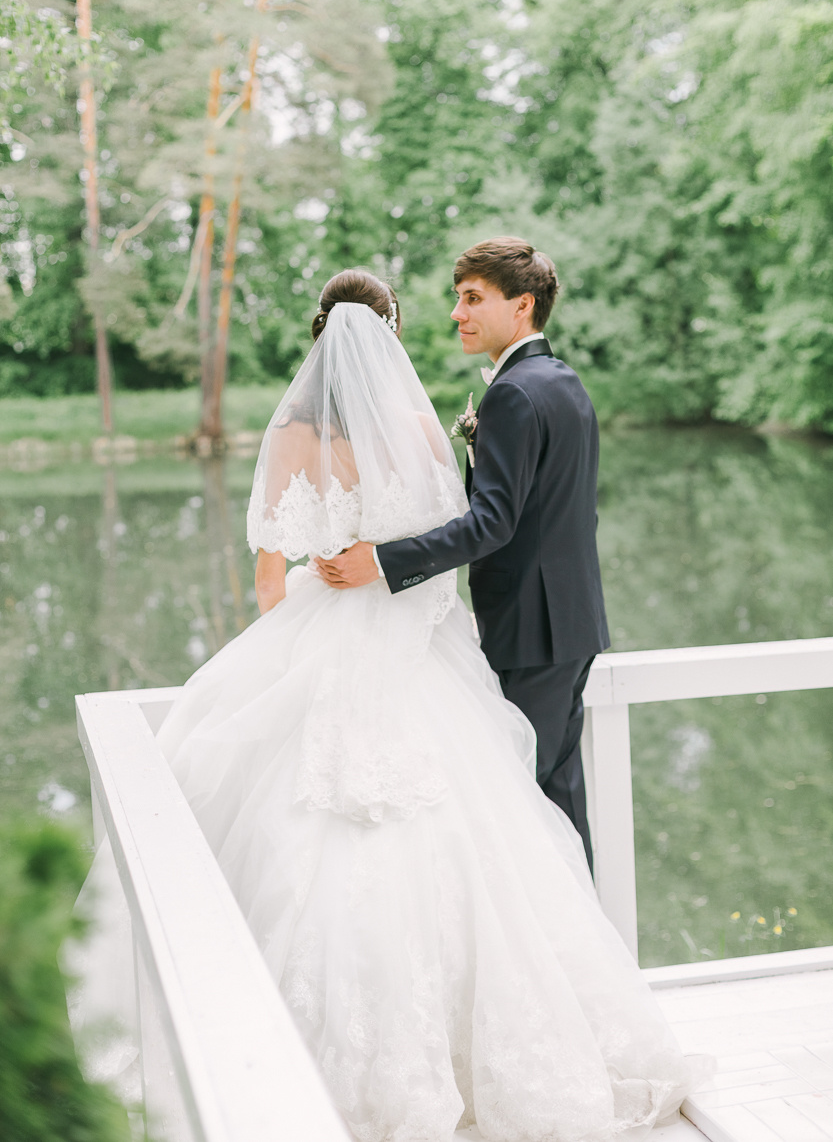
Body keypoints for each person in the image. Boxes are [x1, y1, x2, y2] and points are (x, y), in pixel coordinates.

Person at [135, 268, 702, 1141]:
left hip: (321, 635)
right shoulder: (414, 425)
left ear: (318, 330)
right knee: (500, 828)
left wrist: (303, 648)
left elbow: (266, 584)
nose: (455, 313)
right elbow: (450, 553)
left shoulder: (287, 434)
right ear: (389, 332)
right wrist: (403, 614)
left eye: (473, 296)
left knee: (291, 830)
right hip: (414, 645)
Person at [316, 238, 608, 871]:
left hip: (531, 631)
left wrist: (384, 561)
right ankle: (585, 950)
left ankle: (568, 959)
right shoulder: (562, 382)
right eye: (458, 298)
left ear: (522, 305)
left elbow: (492, 524)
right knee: (555, 801)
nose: (457, 314)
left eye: (473, 298)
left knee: (527, 812)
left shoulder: (513, 393)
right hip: (569, 622)